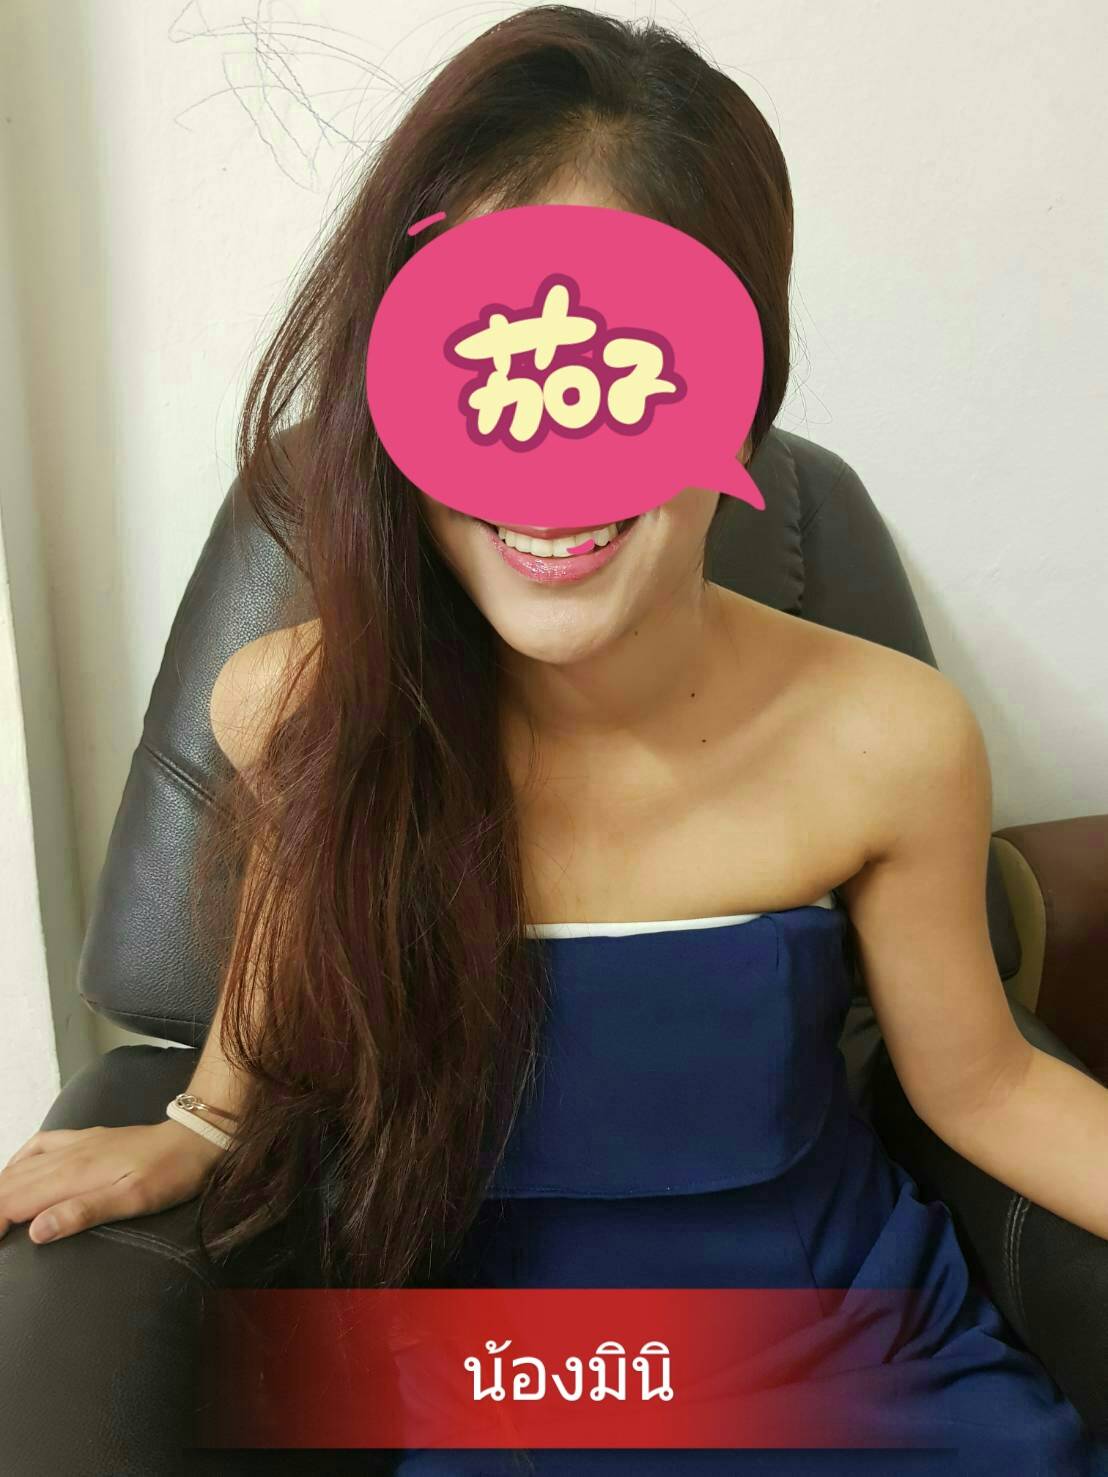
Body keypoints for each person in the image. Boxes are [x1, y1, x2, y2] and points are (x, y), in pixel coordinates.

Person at [1, 6, 1106, 1473]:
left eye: (616, 369)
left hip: (854, 1361)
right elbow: (283, 921)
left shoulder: (889, 736)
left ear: (740, 390)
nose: (548, 454)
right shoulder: (295, 707)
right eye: (485, 368)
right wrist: (205, 1120)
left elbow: (988, 1085)